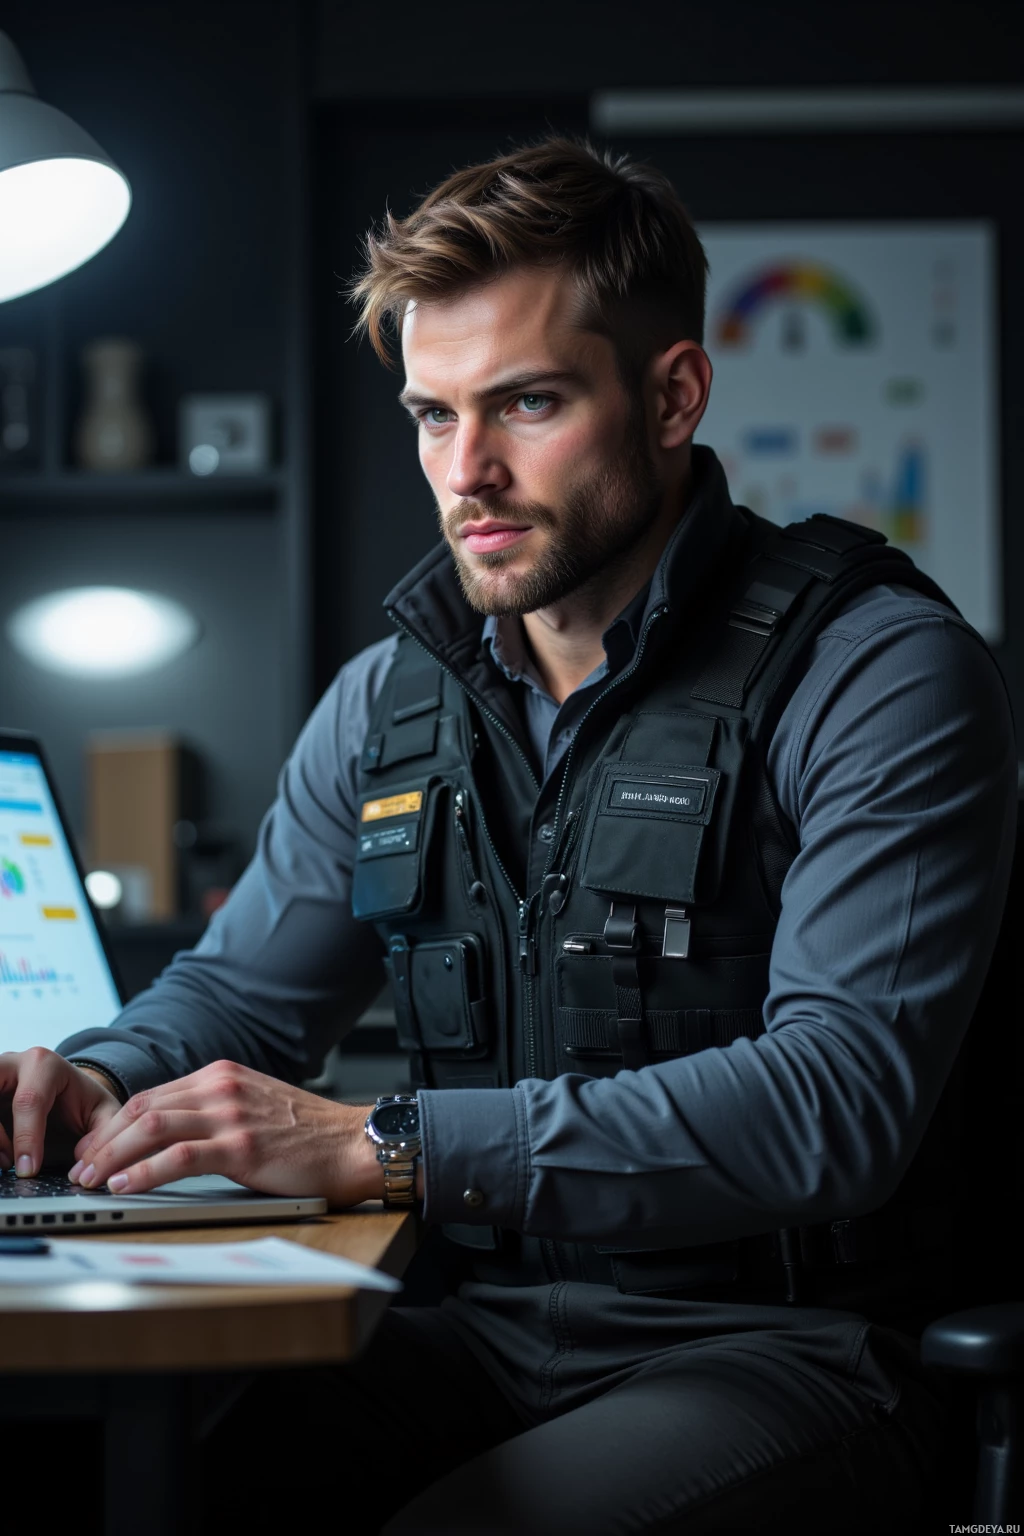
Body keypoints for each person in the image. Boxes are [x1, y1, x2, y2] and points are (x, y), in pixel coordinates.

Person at [0, 139, 1016, 1534]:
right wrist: (102, 1077)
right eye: (431, 414)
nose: (465, 471)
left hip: (782, 1357)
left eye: (526, 404)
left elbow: (833, 1103)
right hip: (464, 1338)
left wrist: (390, 1143)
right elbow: (240, 994)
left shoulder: (879, 673)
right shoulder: (388, 702)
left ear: (672, 396)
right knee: (120, 1487)